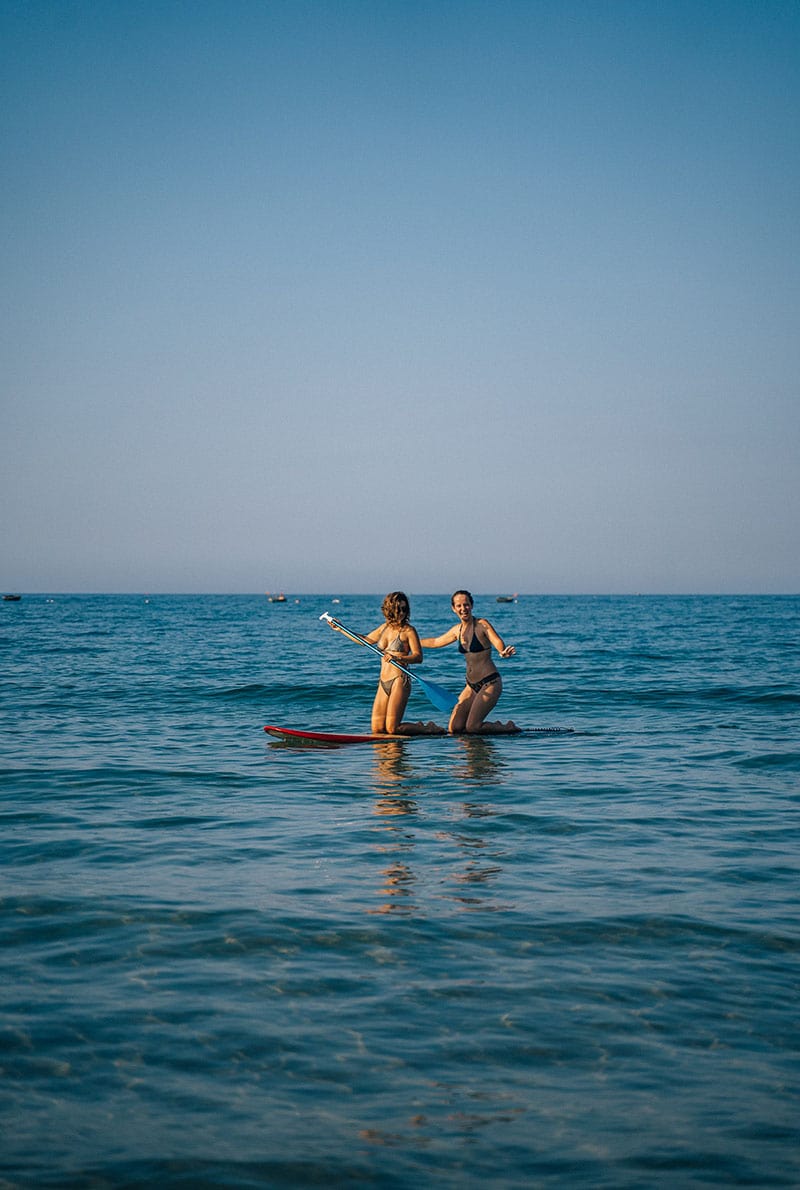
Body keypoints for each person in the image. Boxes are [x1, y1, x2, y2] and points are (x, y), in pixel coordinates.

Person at [327, 592, 443, 735]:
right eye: (398, 609)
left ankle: (428, 728)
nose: (401, 613)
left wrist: (398, 658)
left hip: (400, 680)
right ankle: (417, 726)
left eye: (404, 609)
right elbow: (366, 640)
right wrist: (341, 629)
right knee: (377, 729)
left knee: (392, 729)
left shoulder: (409, 631)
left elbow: (418, 657)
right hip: (383, 681)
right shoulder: (384, 628)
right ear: (389, 609)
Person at [421, 590, 519, 734]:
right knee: (454, 728)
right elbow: (436, 641)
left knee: (473, 727)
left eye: (466, 605)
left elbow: (497, 641)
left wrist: (502, 651)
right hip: (471, 686)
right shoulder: (457, 630)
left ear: (471, 606)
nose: (463, 609)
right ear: (453, 608)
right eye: (459, 606)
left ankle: (508, 727)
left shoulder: (481, 625)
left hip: (490, 683)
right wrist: (412, 643)